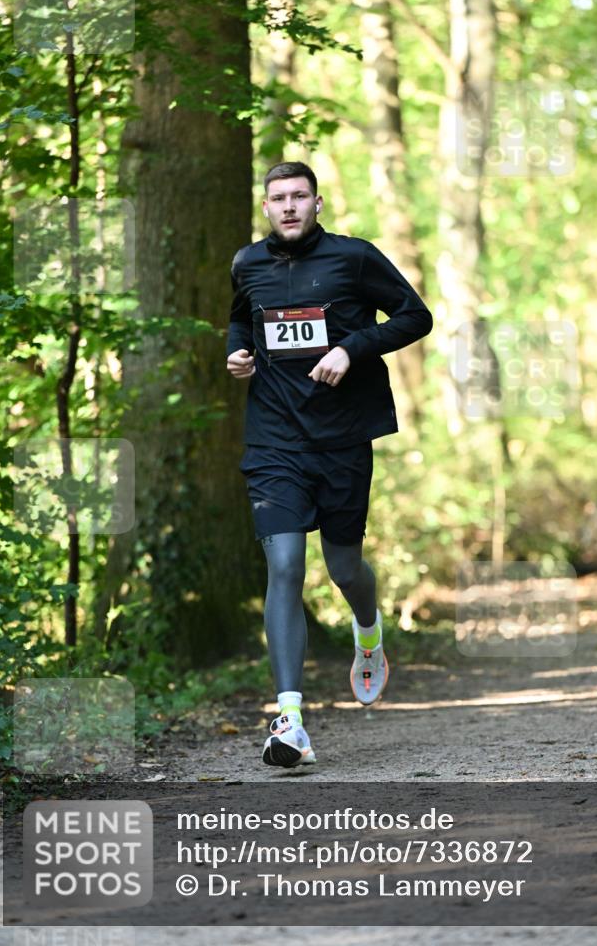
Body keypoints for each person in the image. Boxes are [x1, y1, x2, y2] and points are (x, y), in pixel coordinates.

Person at [226, 161, 433, 767]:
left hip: (342, 439)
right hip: (274, 440)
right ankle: (290, 721)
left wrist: (351, 347)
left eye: (299, 196)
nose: (289, 206)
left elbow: (416, 316)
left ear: (318, 203)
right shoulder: (248, 263)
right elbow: (241, 317)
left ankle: (367, 629)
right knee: (285, 565)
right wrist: (237, 351)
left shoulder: (354, 257)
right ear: (266, 207)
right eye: (278, 198)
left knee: (343, 567)